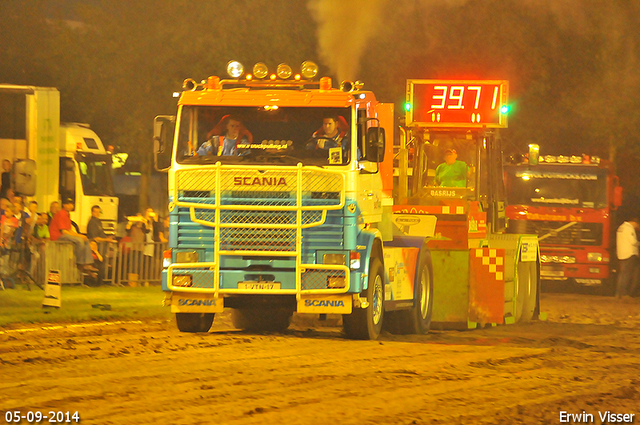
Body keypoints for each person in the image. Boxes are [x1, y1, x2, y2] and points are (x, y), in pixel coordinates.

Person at [49, 198, 97, 272]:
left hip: (64, 235)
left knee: (85, 239)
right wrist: (79, 237)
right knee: (79, 241)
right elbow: (64, 231)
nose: (71, 205)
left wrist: (80, 235)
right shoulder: (61, 213)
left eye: (71, 204)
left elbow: (70, 230)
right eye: (68, 204)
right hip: (57, 236)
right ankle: (79, 262)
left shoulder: (68, 214)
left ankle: (87, 263)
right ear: (64, 205)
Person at [616, 217, 640, 299]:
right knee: (628, 275)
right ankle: (625, 294)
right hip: (630, 254)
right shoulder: (629, 229)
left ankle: (619, 293)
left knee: (622, 274)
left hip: (621, 253)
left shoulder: (621, 227)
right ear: (635, 223)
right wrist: (638, 243)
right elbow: (633, 241)